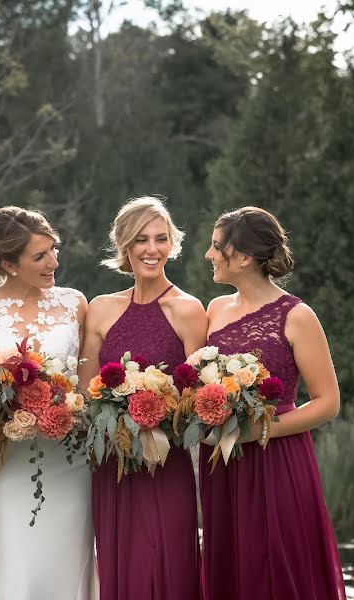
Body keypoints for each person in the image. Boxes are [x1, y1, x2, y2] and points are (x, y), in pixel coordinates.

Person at [200, 206, 346, 599]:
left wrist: (260, 430)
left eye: (217, 247)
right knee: (231, 565)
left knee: (277, 564)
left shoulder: (297, 316)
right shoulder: (214, 309)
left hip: (277, 457)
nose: (209, 255)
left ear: (244, 257)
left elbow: (328, 402)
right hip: (223, 463)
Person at [0, 206, 97, 600]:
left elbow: (87, 387)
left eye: (54, 250)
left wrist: (66, 405)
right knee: (14, 567)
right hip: (7, 462)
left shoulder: (75, 303)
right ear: (8, 263)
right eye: (40, 256)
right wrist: (2, 406)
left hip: (70, 459)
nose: (54, 261)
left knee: (69, 569)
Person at [77, 196, 207, 600]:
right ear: (124, 246)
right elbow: (86, 389)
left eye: (161, 238)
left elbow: (197, 398)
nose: (151, 249)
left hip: (167, 464)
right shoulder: (100, 309)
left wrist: (157, 414)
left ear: (172, 244)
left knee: (169, 562)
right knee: (122, 570)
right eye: (141, 240)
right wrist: (116, 417)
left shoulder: (189, 310)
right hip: (112, 463)